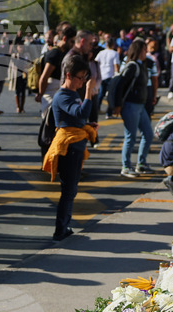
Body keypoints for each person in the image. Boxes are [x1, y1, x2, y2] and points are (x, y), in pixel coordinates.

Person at [43, 55, 96, 241]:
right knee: (68, 190)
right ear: (69, 75)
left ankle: (65, 225)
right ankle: (60, 229)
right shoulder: (63, 95)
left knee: (72, 189)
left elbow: (78, 117)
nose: (83, 82)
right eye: (81, 77)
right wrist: (89, 92)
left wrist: (87, 125)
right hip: (68, 147)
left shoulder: (72, 94)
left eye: (84, 78)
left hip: (76, 145)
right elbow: (80, 112)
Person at [112, 39, 153, 179]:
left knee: (148, 134)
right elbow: (120, 85)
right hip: (130, 105)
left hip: (140, 106)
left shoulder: (142, 65)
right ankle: (126, 166)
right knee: (130, 137)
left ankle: (141, 163)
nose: (146, 52)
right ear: (137, 51)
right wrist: (117, 104)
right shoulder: (132, 66)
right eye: (143, 49)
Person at [95, 38, 119, 117]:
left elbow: (96, 62)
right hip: (110, 75)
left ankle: (97, 108)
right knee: (110, 95)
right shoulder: (114, 53)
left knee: (101, 93)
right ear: (113, 45)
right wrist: (117, 74)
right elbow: (116, 65)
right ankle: (109, 113)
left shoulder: (101, 53)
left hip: (102, 75)